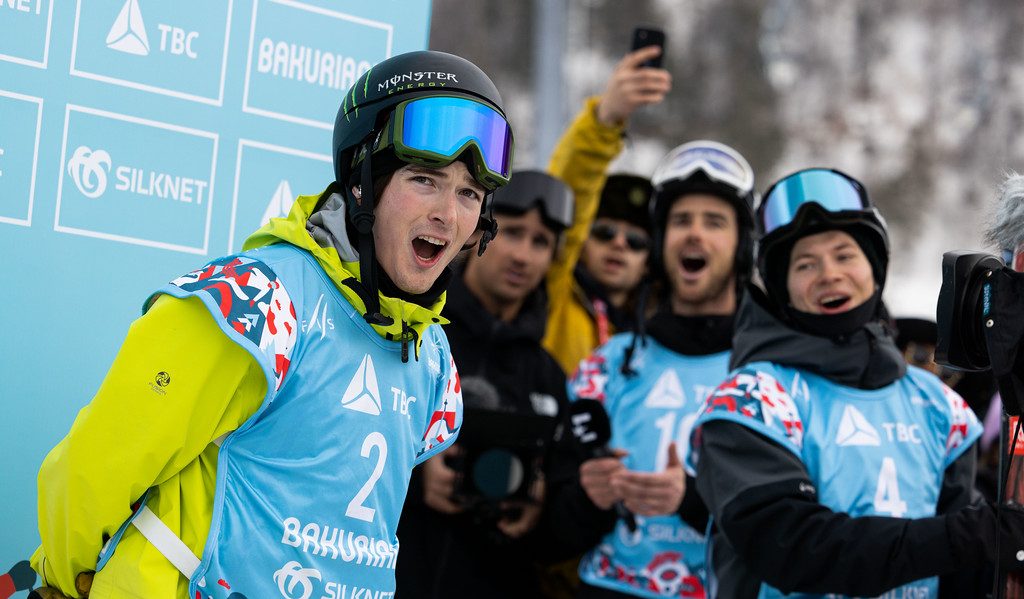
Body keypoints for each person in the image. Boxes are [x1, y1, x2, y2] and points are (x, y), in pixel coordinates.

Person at [29, 50, 514, 599]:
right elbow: (98, 465)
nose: (448, 215)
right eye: (424, 180)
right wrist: (60, 579)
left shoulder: (432, 359)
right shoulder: (259, 304)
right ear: (363, 183)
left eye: (469, 195)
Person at [690, 167, 1024, 598]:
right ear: (781, 287)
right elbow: (794, 548)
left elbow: (968, 571)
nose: (829, 273)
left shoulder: (939, 406)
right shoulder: (752, 401)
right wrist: (968, 535)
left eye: (845, 255)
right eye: (805, 264)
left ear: (875, 266)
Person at [550, 140, 759, 598]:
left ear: (742, 246)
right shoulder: (606, 365)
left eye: (714, 222)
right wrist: (589, 498)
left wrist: (692, 499)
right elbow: (547, 534)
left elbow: (792, 531)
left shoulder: (770, 373)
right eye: (681, 221)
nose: (694, 235)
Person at [395, 170, 574, 598]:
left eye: (541, 243)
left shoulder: (548, 376)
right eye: (512, 234)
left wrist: (538, 507)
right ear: (478, 231)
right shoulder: (412, 332)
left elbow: (562, 534)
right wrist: (418, 478)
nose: (523, 257)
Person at [544, 45, 672, 376]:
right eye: (603, 233)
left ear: (650, 260)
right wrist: (606, 119)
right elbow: (567, 198)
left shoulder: (665, 332)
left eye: (635, 241)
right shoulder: (552, 294)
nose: (618, 244)